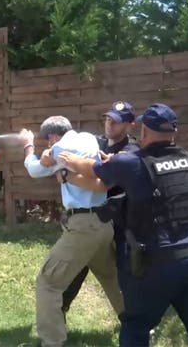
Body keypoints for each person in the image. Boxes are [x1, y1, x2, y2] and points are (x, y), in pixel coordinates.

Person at [58, 103, 188, 346]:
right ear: (174, 132)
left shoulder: (132, 163)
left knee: (136, 327)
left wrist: (66, 159)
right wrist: (117, 165)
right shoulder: (187, 160)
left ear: (144, 132)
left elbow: (89, 169)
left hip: (158, 264)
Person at [19, 116, 123, 347]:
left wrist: (28, 146)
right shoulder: (88, 140)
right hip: (104, 224)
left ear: (53, 136)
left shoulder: (61, 148)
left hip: (83, 227)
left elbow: (35, 170)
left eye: (48, 140)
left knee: (48, 283)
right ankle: (138, 326)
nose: (48, 145)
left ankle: (52, 342)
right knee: (111, 277)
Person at [59, 101, 139, 313]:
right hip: (94, 219)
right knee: (76, 266)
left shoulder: (132, 150)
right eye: (108, 118)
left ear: (131, 125)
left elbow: (108, 177)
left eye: (117, 122)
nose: (110, 124)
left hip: (122, 223)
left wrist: (71, 174)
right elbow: (67, 158)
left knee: (125, 272)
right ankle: (60, 309)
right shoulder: (96, 144)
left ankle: (134, 320)